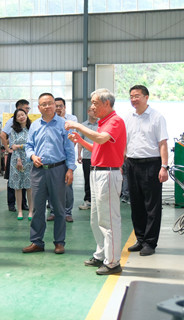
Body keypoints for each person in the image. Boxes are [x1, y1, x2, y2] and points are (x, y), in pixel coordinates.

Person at [65, 88, 126, 275]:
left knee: (109, 220)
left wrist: (77, 126)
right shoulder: (104, 122)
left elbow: (100, 139)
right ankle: (101, 254)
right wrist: (81, 141)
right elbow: (98, 147)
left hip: (107, 174)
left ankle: (113, 262)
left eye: (95, 103)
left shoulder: (115, 121)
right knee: (96, 219)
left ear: (106, 103)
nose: (92, 107)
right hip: (97, 172)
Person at [22, 93, 76, 255]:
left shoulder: (64, 125)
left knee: (59, 209)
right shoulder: (34, 125)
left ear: (55, 105)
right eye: (43, 104)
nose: (47, 106)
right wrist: (32, 156)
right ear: (39, 107)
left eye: (50, 103)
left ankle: (59, 242)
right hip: (38, 171)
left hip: (58, 170)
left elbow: (69, 149)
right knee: (37, 209)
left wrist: (70, 169)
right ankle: (36, 241)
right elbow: (29, 145)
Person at [124, 85, 169, 257]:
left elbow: (162, 144)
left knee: (152, 205)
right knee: (136, 204)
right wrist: (122, 162)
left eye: (137, 96)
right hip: (132, 164)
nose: (133, 99)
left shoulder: (157, 117)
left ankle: (150, 242)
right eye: (131, 96)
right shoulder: (128, 118)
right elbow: (125, 142)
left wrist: (164, 167)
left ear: (146, 97)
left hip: (151, 164)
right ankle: (140, 239)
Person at [47, 97, 78, 222]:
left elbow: (72, 140)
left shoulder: (71, 120)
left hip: (66, 159)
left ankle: (67, 212)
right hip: (53, 160)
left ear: (65, 107)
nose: (58, 108)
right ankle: (53, 211)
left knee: (67, 187)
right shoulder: (49, 121)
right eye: (56, 106)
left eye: (60, 106)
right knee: (52, 187)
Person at [0, 99, 30, 212]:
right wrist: (8, 149)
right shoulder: (11, 122)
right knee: (13, 180)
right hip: (15, 156)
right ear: (19, 108)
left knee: (25, 180)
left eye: (27, 109)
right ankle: (12, 204)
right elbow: (2, 135)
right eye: (26, 108)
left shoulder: (29, 125)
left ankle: (23, 204)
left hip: (26, 157)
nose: (27, 111)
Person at [8, 108, 33, 220]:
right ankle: (19, 211)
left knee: (29, 186)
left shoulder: (31, 129)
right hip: (16, 160)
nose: (21, 117)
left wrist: (20, 146)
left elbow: (33, 144)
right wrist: (18, 159)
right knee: (17, 187)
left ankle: (31, 211)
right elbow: (13, 146)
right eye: (18, 116)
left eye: (23, 114)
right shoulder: (13, 131)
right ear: (16, 119)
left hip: (29, 159)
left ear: (26, 115)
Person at [77, 107, 98, 210]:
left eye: (96, 110)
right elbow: (80, 141)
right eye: (92, 110)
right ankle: (88, 200)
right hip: (87, 157)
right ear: (88, 112)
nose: (94, 112)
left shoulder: (101, 124)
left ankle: (98, 201)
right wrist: (79, 154)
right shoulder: (83, 126)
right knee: (88, 179)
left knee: (98, 179)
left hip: (99, 157)